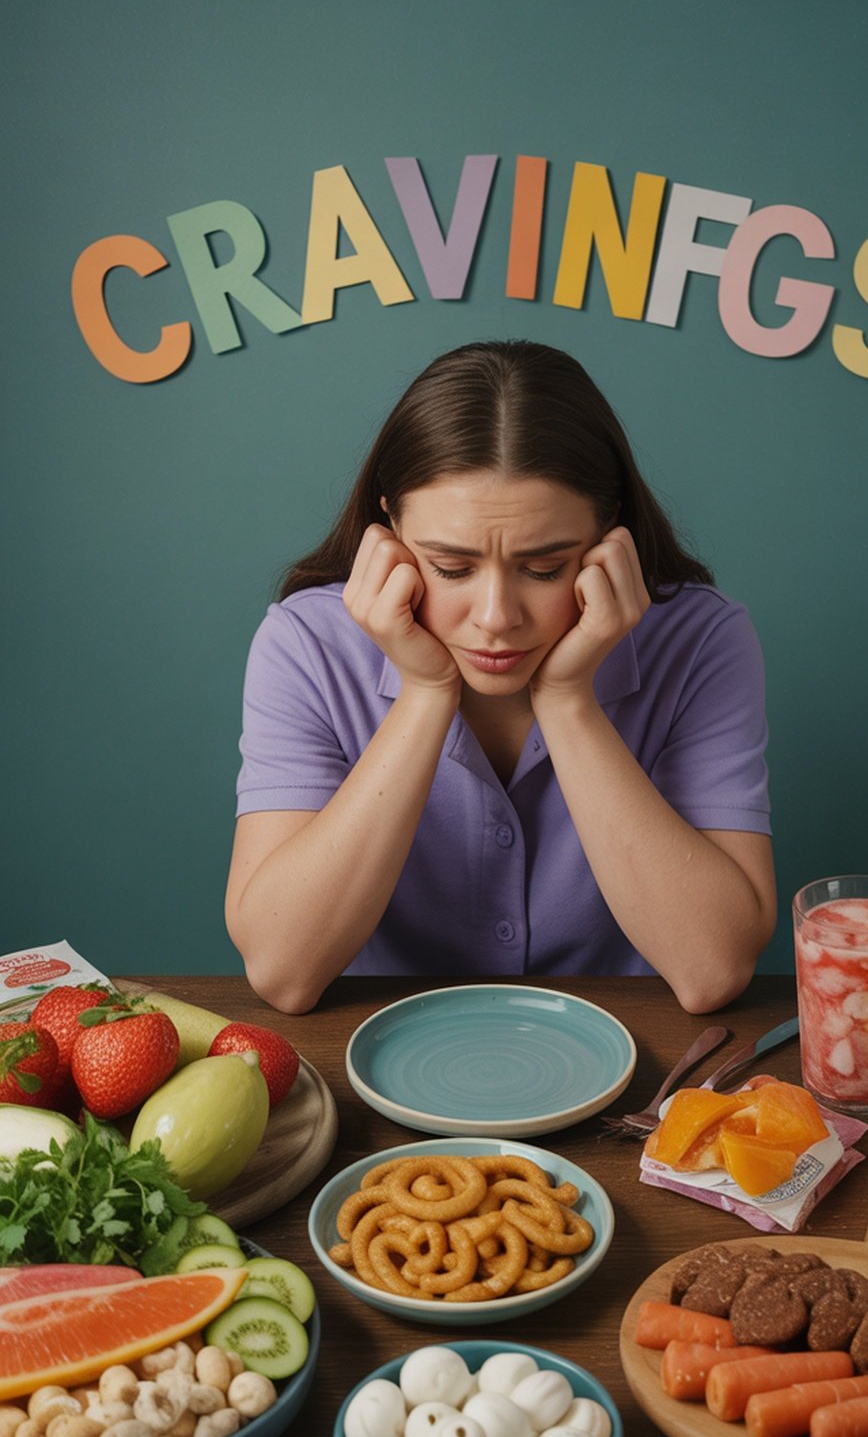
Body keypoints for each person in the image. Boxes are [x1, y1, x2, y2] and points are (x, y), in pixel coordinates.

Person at [226, 339, 775, 1013]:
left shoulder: (702, 642)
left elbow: (713, 969)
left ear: (611, 537)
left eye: (544, 568)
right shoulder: (306, 644)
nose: (495, 617)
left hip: (635, 1067)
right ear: (389, 529)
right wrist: (426, 693)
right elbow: (284, 972)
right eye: (450, 568)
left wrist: (570, 702)